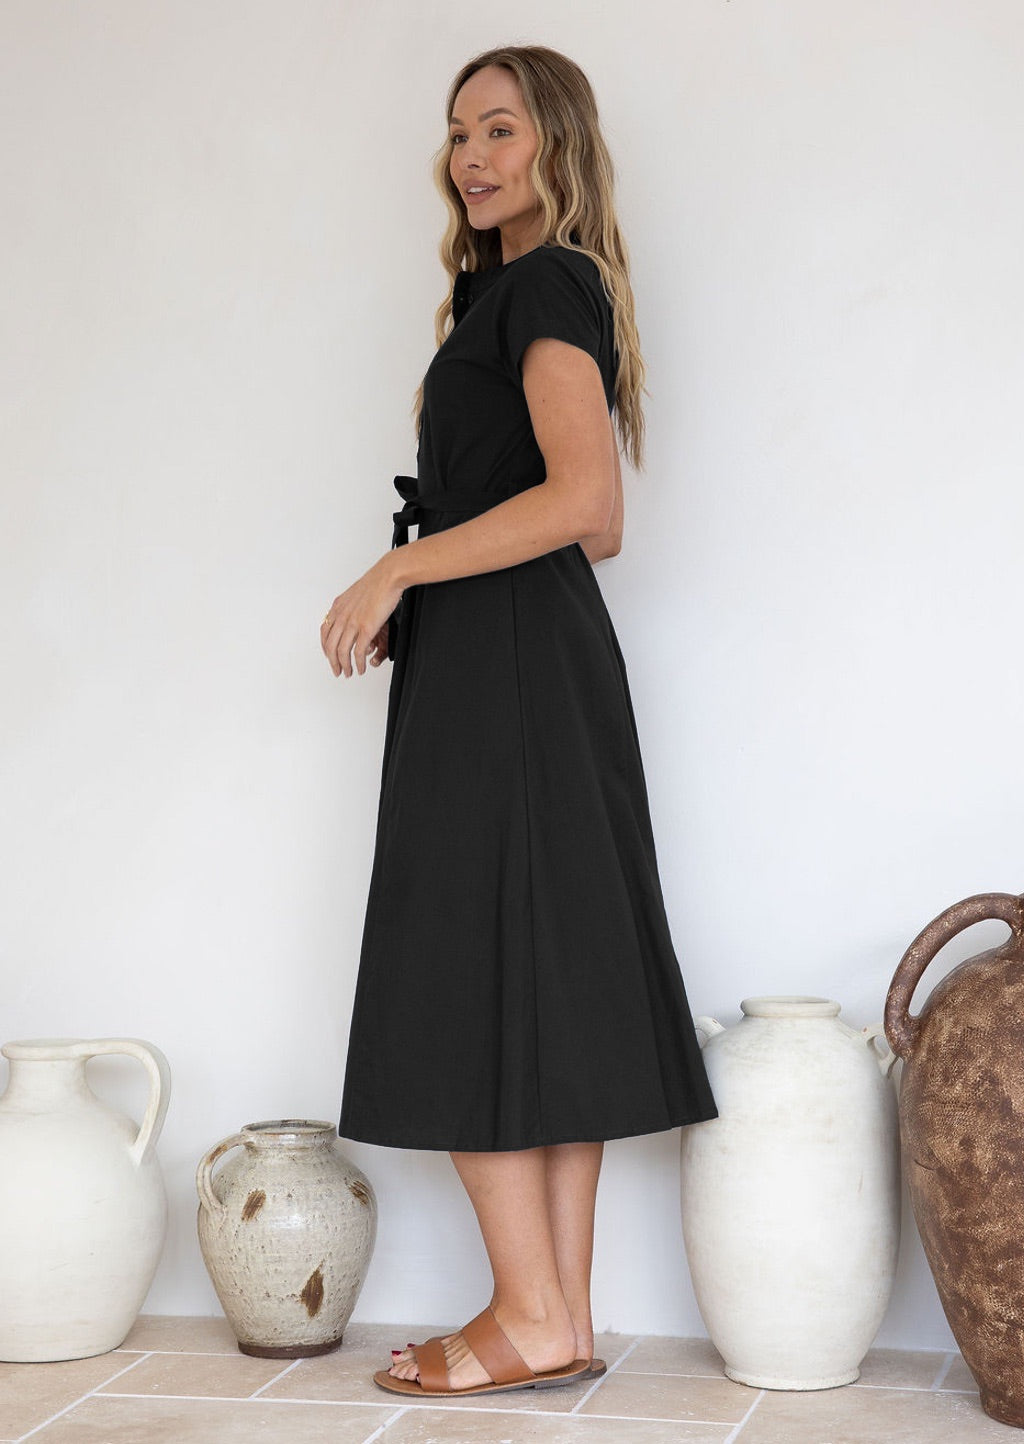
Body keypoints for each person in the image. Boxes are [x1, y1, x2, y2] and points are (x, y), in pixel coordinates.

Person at [320, 44, 716, 1399]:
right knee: (540, 984)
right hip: (524, 663)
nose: (472, 157)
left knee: (457, 977)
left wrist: (400, 564)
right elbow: (571, 525)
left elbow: (588, 508)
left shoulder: (545, 285)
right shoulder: (530, 292)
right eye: (457, 135)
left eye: (500, 129)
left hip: (505, 672)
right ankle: (562, 1319)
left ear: (555, 145)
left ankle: (527, 1316)